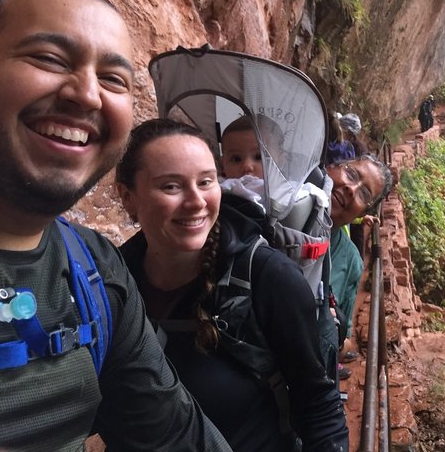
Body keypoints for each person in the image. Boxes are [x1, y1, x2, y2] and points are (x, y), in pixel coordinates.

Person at [0, 0, 230, 451]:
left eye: (114, 79)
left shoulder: (95, 271)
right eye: (49, 59)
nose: (87, 95)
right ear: (129, 196)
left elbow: (176, 433)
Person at [116, 118, 348, 452]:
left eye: (205, 182)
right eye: (171, 186)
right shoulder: (113, 281)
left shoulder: (268, 277)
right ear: (128, 197)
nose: (196, 201)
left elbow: (316, 403)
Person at [326, 155, 393, 378]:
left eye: (364, 194)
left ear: (363, 214)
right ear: (332, 167)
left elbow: (340, 336)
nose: (350, 189)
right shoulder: (269, 207)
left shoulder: (349, 261)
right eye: (351, 174)